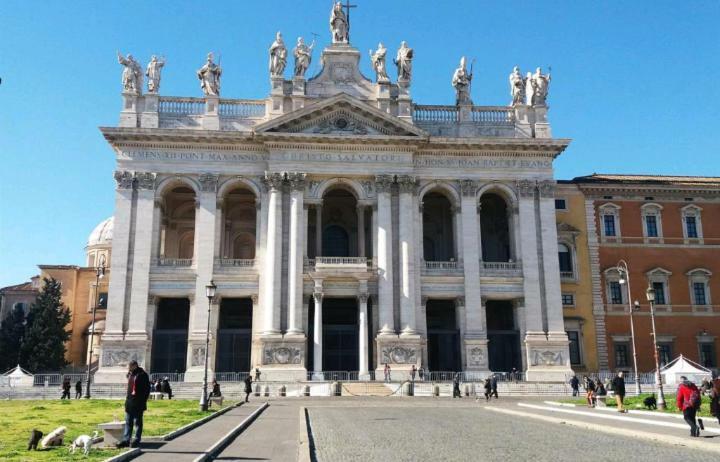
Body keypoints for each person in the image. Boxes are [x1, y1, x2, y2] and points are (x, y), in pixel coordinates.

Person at [117, 360, 150, 448]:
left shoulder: (142, 375)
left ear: (134, 366)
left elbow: (147, 389)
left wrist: (143, 401)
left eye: (129, 367)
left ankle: (136, 439)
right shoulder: (130, 374)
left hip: (138, 402)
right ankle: (126, 440)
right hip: (129, 402)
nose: (128, 369)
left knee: (137, 422)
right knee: (128, 422)